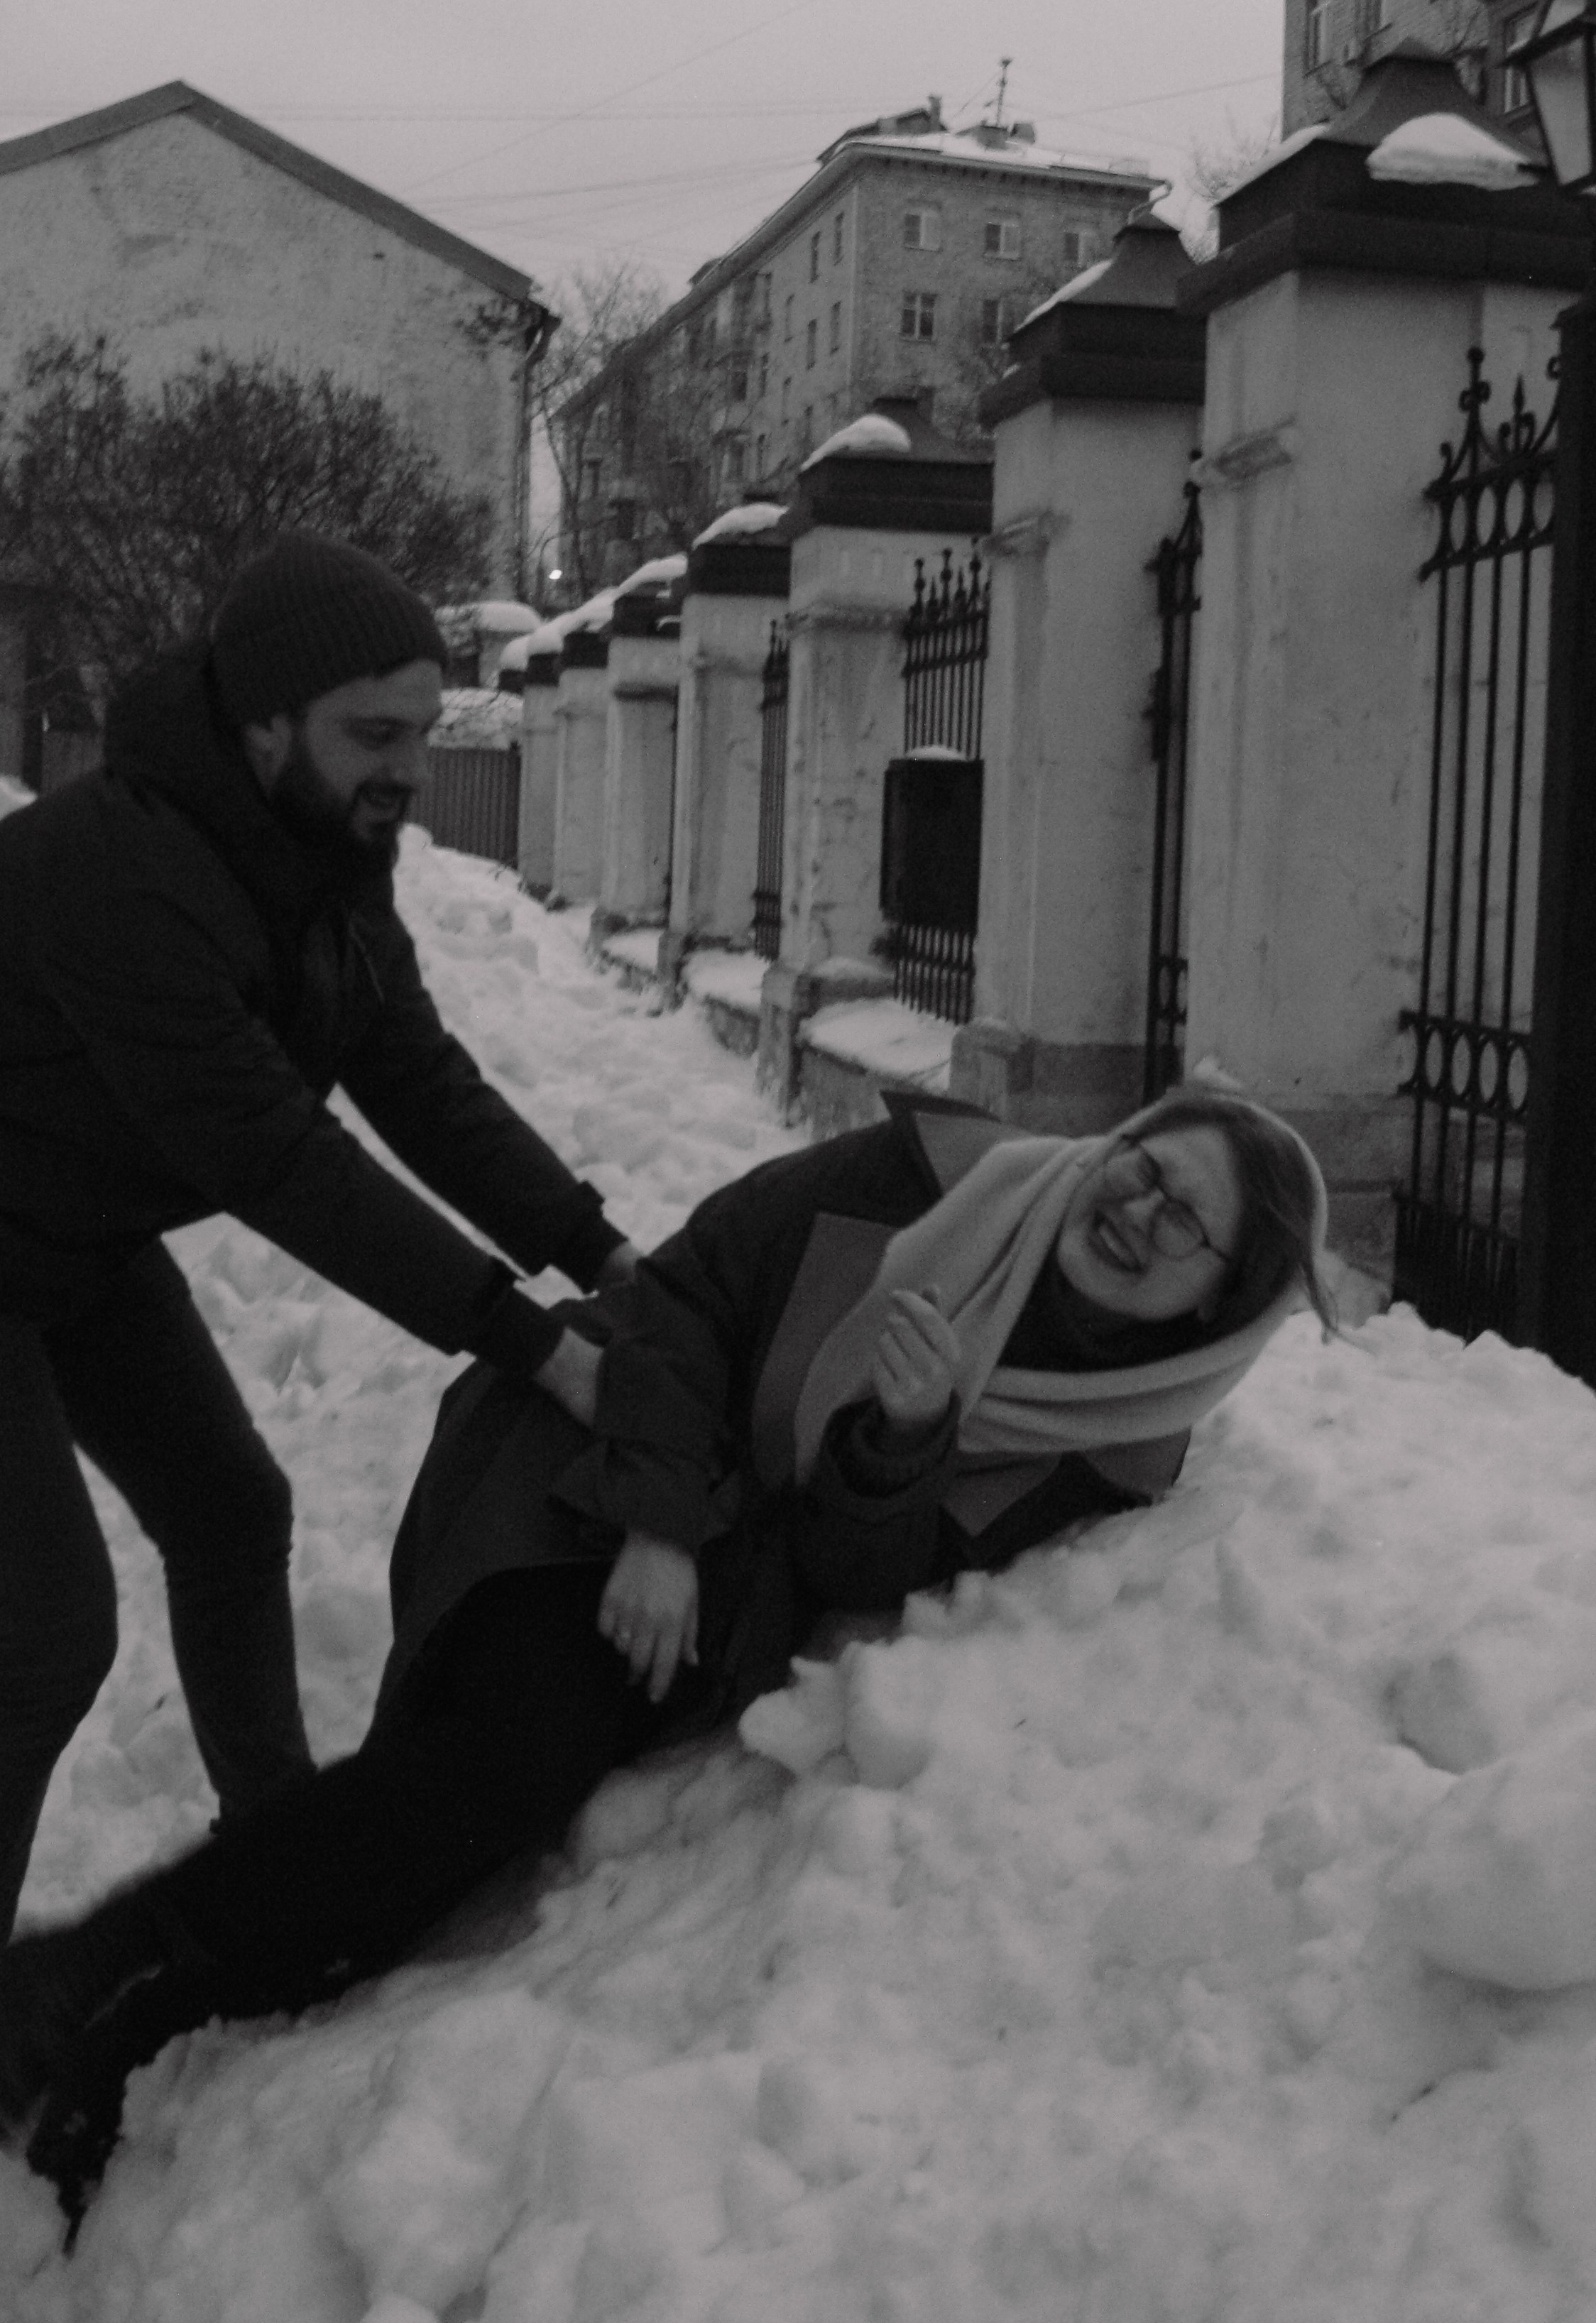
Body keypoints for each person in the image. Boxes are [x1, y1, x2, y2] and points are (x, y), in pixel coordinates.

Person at [0, 1081, 1328, 2226]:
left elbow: (862, 1584)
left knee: (438, 1843)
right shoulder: (928, 1180)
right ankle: (90, 1968)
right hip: (592, 1454)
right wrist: (660, 1528)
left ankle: (117, 2039)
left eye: (1186, 1222)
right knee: (499, 1766)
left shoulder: (1110, 1448)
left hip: (715, 1597)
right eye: (1147, 1164)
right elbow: (686, 1296)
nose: (1139, 1210)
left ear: (1215, 1300)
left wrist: (899, 1445)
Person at [0, 532, 638, 1954]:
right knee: (41, 1630)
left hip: (68, 1238)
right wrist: (532, 1345)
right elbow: (280, 1159)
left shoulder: (320, 856)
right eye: (373, 733)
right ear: (264, 719)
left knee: (230, 1508)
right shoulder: (122, 873)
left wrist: (603, 1255)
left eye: (419, 731)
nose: (406, 767)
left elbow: (415, 1077)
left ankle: (282, 1874)